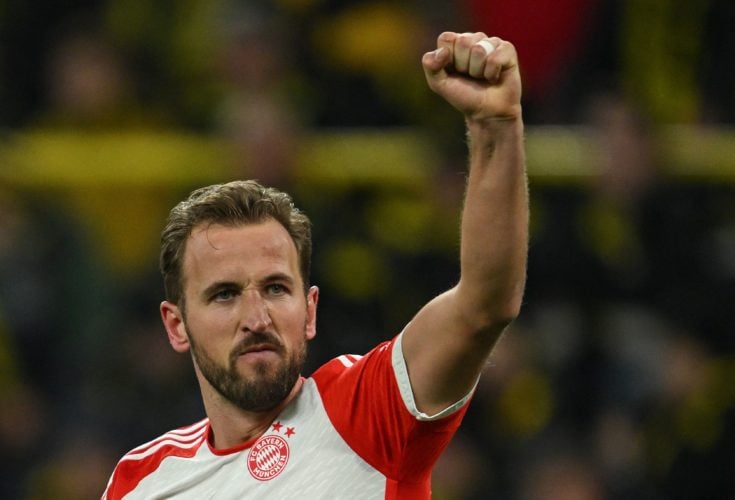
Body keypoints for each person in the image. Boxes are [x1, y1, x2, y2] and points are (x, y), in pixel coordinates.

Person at [101, 30, 528, 499]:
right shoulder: (140, 482)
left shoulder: (366, 414)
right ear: (177, 325)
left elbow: (483, 305)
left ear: (310, 310)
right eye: (224, 294)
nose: (257, 318)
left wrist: (494, 127)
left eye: (277, 289)